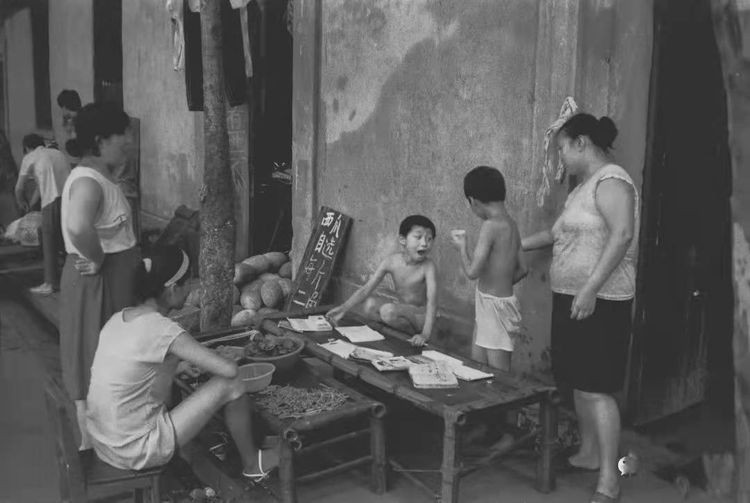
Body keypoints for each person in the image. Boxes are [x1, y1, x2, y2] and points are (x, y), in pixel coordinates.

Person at [522, 113, 638, 503]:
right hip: (571, 297)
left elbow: (622, 234)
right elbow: (552, 235)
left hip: (601, 300)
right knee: (577, 381)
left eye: (562, 149)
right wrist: (512, 243)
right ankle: (589, 455)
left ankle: (610, 478)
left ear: (581, 143)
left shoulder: (612, 181)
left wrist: (590, 289)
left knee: (596, 387)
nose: (561, 158)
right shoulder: (580, 191)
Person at [86, 245, 278, 478]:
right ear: (172, 289)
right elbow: (228, 370)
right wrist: (224, 357)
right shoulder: (162, 329)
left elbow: (135, 370)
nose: (190, 288)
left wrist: (177, 366)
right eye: (188, 282)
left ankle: (217, 445)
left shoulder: (118, 319)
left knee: (188, 378)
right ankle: (253, 464)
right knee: (232, 383)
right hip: (136, 450)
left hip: (104, 443)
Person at [59, 102, 141, 447]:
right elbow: (78, 226)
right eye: (122, 134)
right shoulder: (88, 182)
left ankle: (104, 446)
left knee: (110, 363)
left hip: (111, 279)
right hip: (97, 282)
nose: (129, 140)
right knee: (93, 364)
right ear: (99, 140)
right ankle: (92, 450)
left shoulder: (100, 176)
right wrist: (96, 258)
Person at [450, 166, 526, 372]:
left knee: (499, 375)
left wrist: (462, 247)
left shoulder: (490, 226)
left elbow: (472, 272)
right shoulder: (511, 224)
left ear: (473, 201)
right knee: (477, 367)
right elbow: (523, 268)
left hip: (494, 307)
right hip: (494, 303)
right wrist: (501, 283)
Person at [326, 215, 438, 347]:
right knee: (370, 305)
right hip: (402, 310)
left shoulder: (428, 267)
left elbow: (432, 302)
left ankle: (413, 339)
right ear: (402, 240)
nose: (424, 243)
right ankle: (394, 337)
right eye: (418, 237)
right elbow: (366, 289)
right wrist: (343, 308)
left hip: (420, 316)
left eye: (429, 239)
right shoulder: (391, 261)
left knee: (387, 311)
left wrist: (425, 334)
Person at [14, 134, 70, 294]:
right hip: (69, 200)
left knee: (49, 242)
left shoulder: (30, 157)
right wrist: (32, 204)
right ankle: (71, 280)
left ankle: (51, 283)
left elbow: (19, 188)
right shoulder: (58, 153)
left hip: (51, 201)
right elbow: (41, 186)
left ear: (26, 147)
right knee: (66, 240)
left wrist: (21, 203)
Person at [56, 89, 82, 166]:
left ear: (65, 106)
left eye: (61, 107)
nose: (62, 110)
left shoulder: (74, 119)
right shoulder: (68, 119)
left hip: (75, 161)